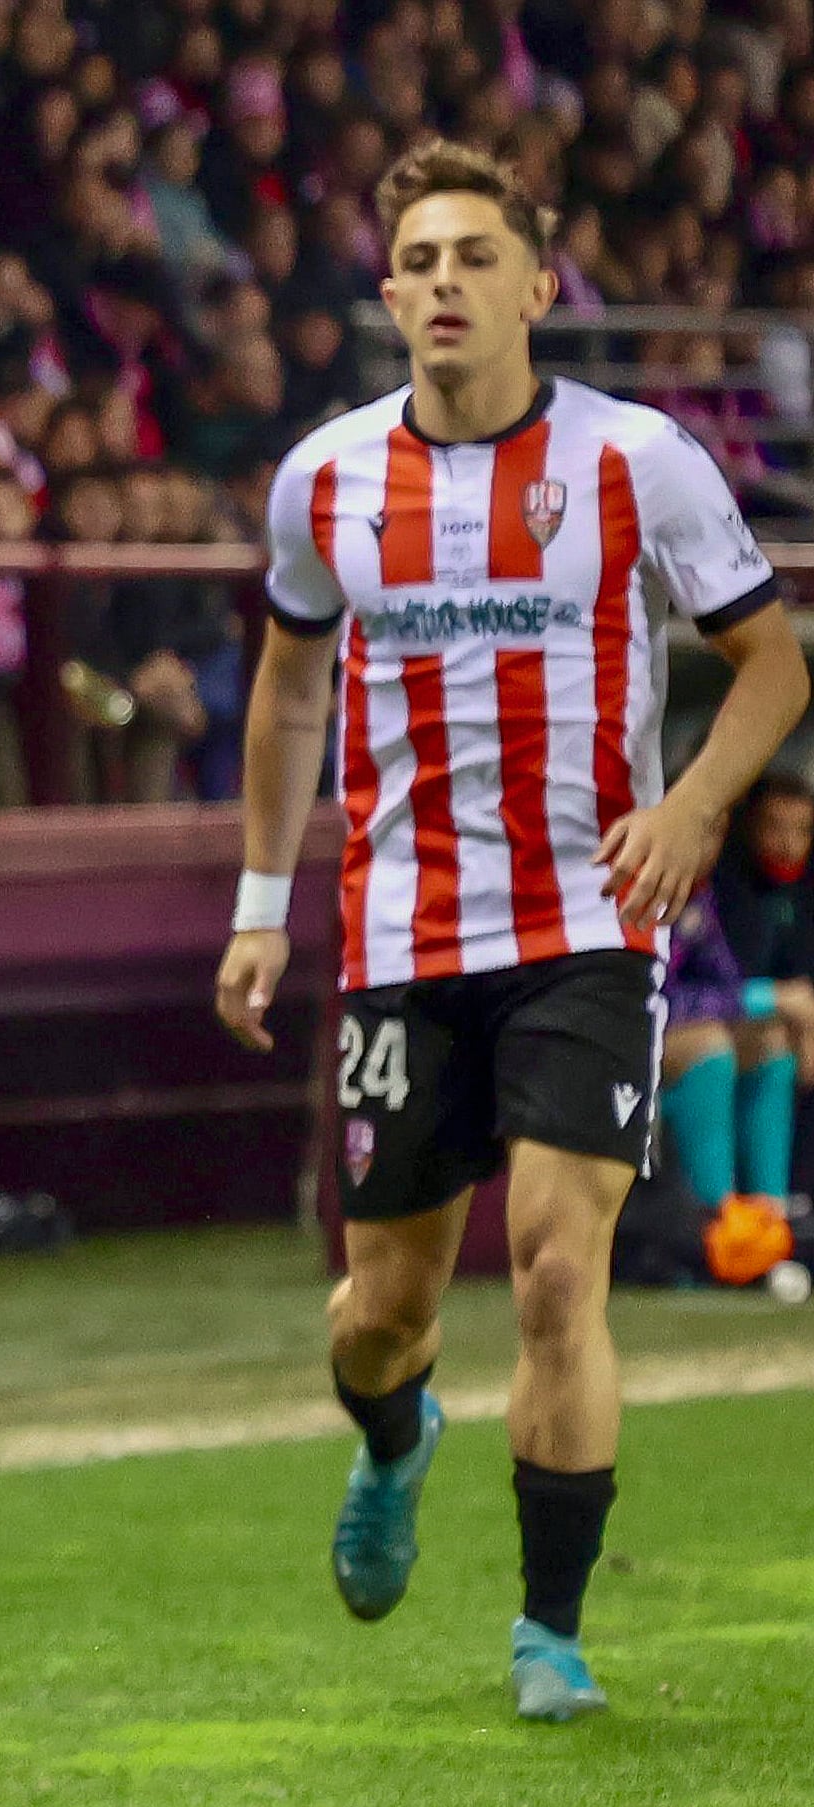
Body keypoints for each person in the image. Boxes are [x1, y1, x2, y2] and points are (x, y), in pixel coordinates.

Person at [216, 141, 809, 1723]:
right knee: (384, 1310)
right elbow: (286, 691)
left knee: (557, 1274)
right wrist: (263, 908)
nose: (446, 285)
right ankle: (397, 1438)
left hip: (590, 930)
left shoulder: (639, 461)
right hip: (404, 938)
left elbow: (774, 663)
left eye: (477, 256)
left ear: (540, 286)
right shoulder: (326, 480)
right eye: (419, 260)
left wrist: (690, 811)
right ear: (390, 294)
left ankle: (550, 1628)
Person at [686, 773, 814, 1210]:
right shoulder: (675, 888)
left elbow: (723, 982)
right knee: (710, 1045)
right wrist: (771, 999)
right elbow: (659, 995)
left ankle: (770, 1223)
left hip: (725, 1023)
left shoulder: (698, 895)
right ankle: (715, 1227)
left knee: (775, 1043)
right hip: (638, 1040)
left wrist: (786, 1009)